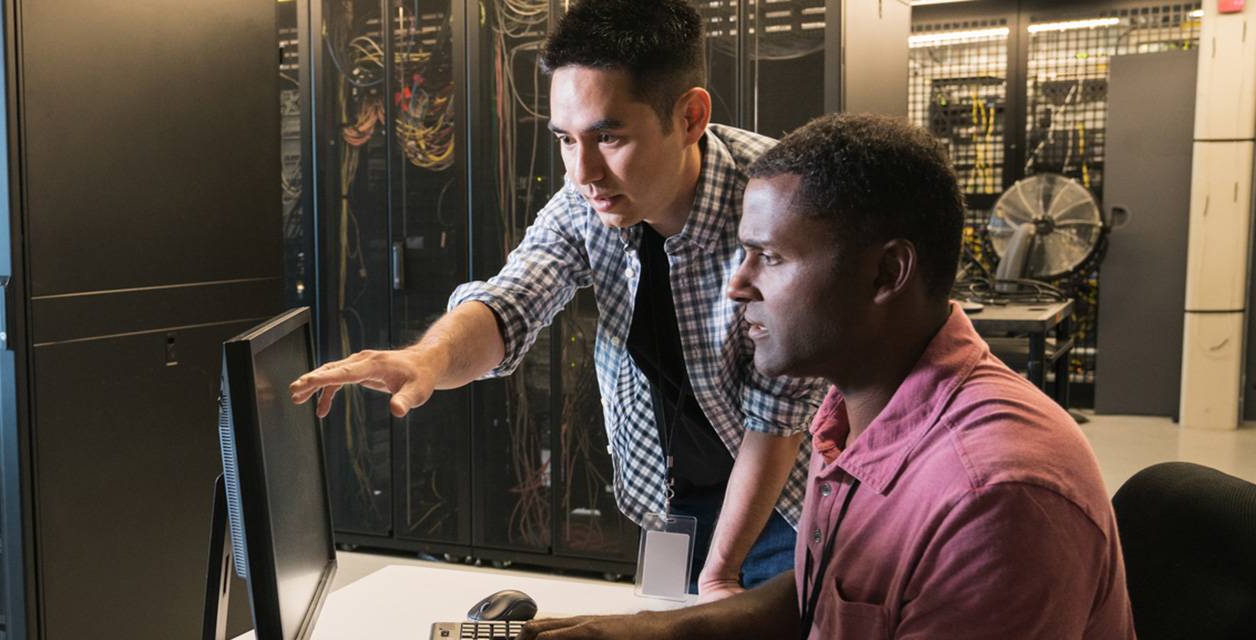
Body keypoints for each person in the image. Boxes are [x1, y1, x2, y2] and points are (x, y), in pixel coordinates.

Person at [518, 114, 1134, 639]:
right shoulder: (857, 406)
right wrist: (652, 632)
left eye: (773, 257)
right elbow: (829, 587)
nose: (739, 284)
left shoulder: (993, 498)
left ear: (887, 273)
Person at [287, 0, 822, 600]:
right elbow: (513, 299)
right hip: (669, 501)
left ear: (691, 116)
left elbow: (777, 415)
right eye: (565, 140)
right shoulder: (587, 201)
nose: (583, 172)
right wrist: (428, 360)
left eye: (609, 136)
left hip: (785, 502)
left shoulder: (778, 205)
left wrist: (720, 571)